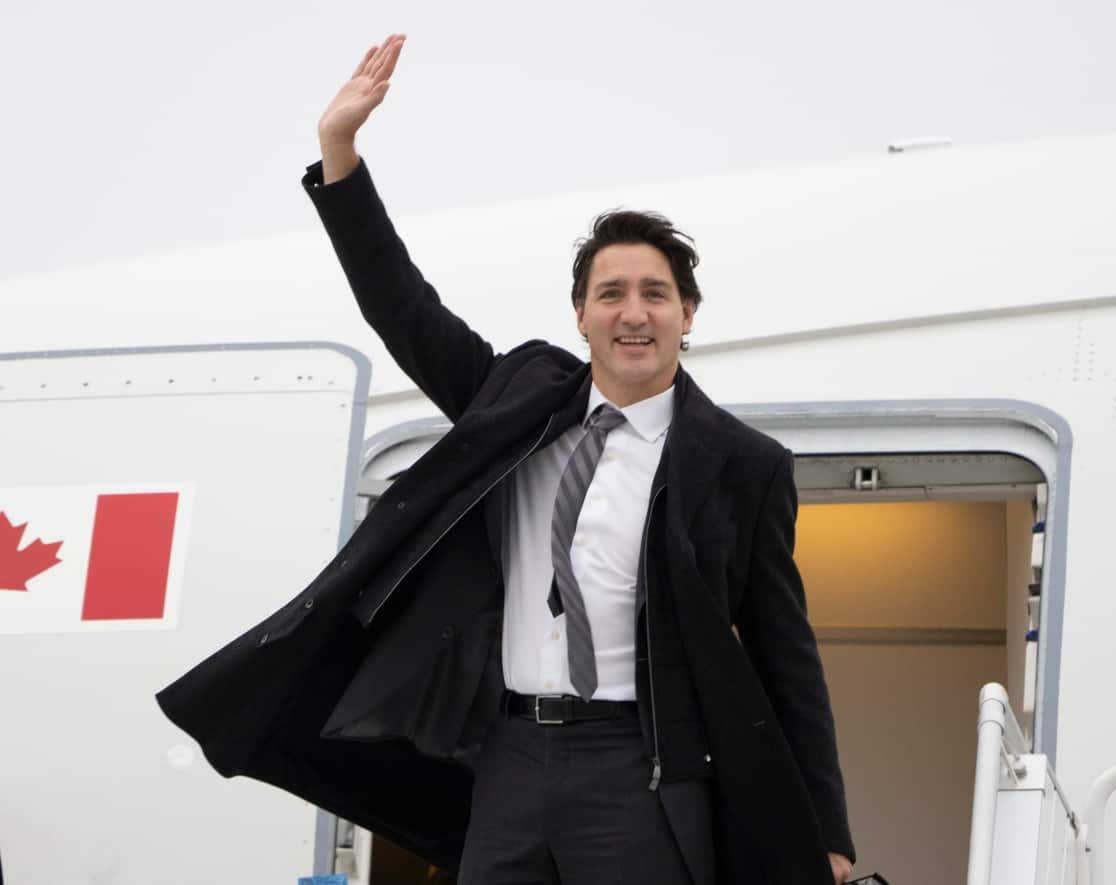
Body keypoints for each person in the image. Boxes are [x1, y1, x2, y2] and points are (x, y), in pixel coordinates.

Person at [157, 32, 855, 885]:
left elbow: (787, 653)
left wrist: (826, 831)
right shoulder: (519, 398)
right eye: (611, 293)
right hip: (508, 755)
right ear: (581, 314)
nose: (632, 312)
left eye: (654, 294)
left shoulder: (743, 465)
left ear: (688, 314)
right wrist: (340, 155)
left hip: (641, 765)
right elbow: (405, 312)